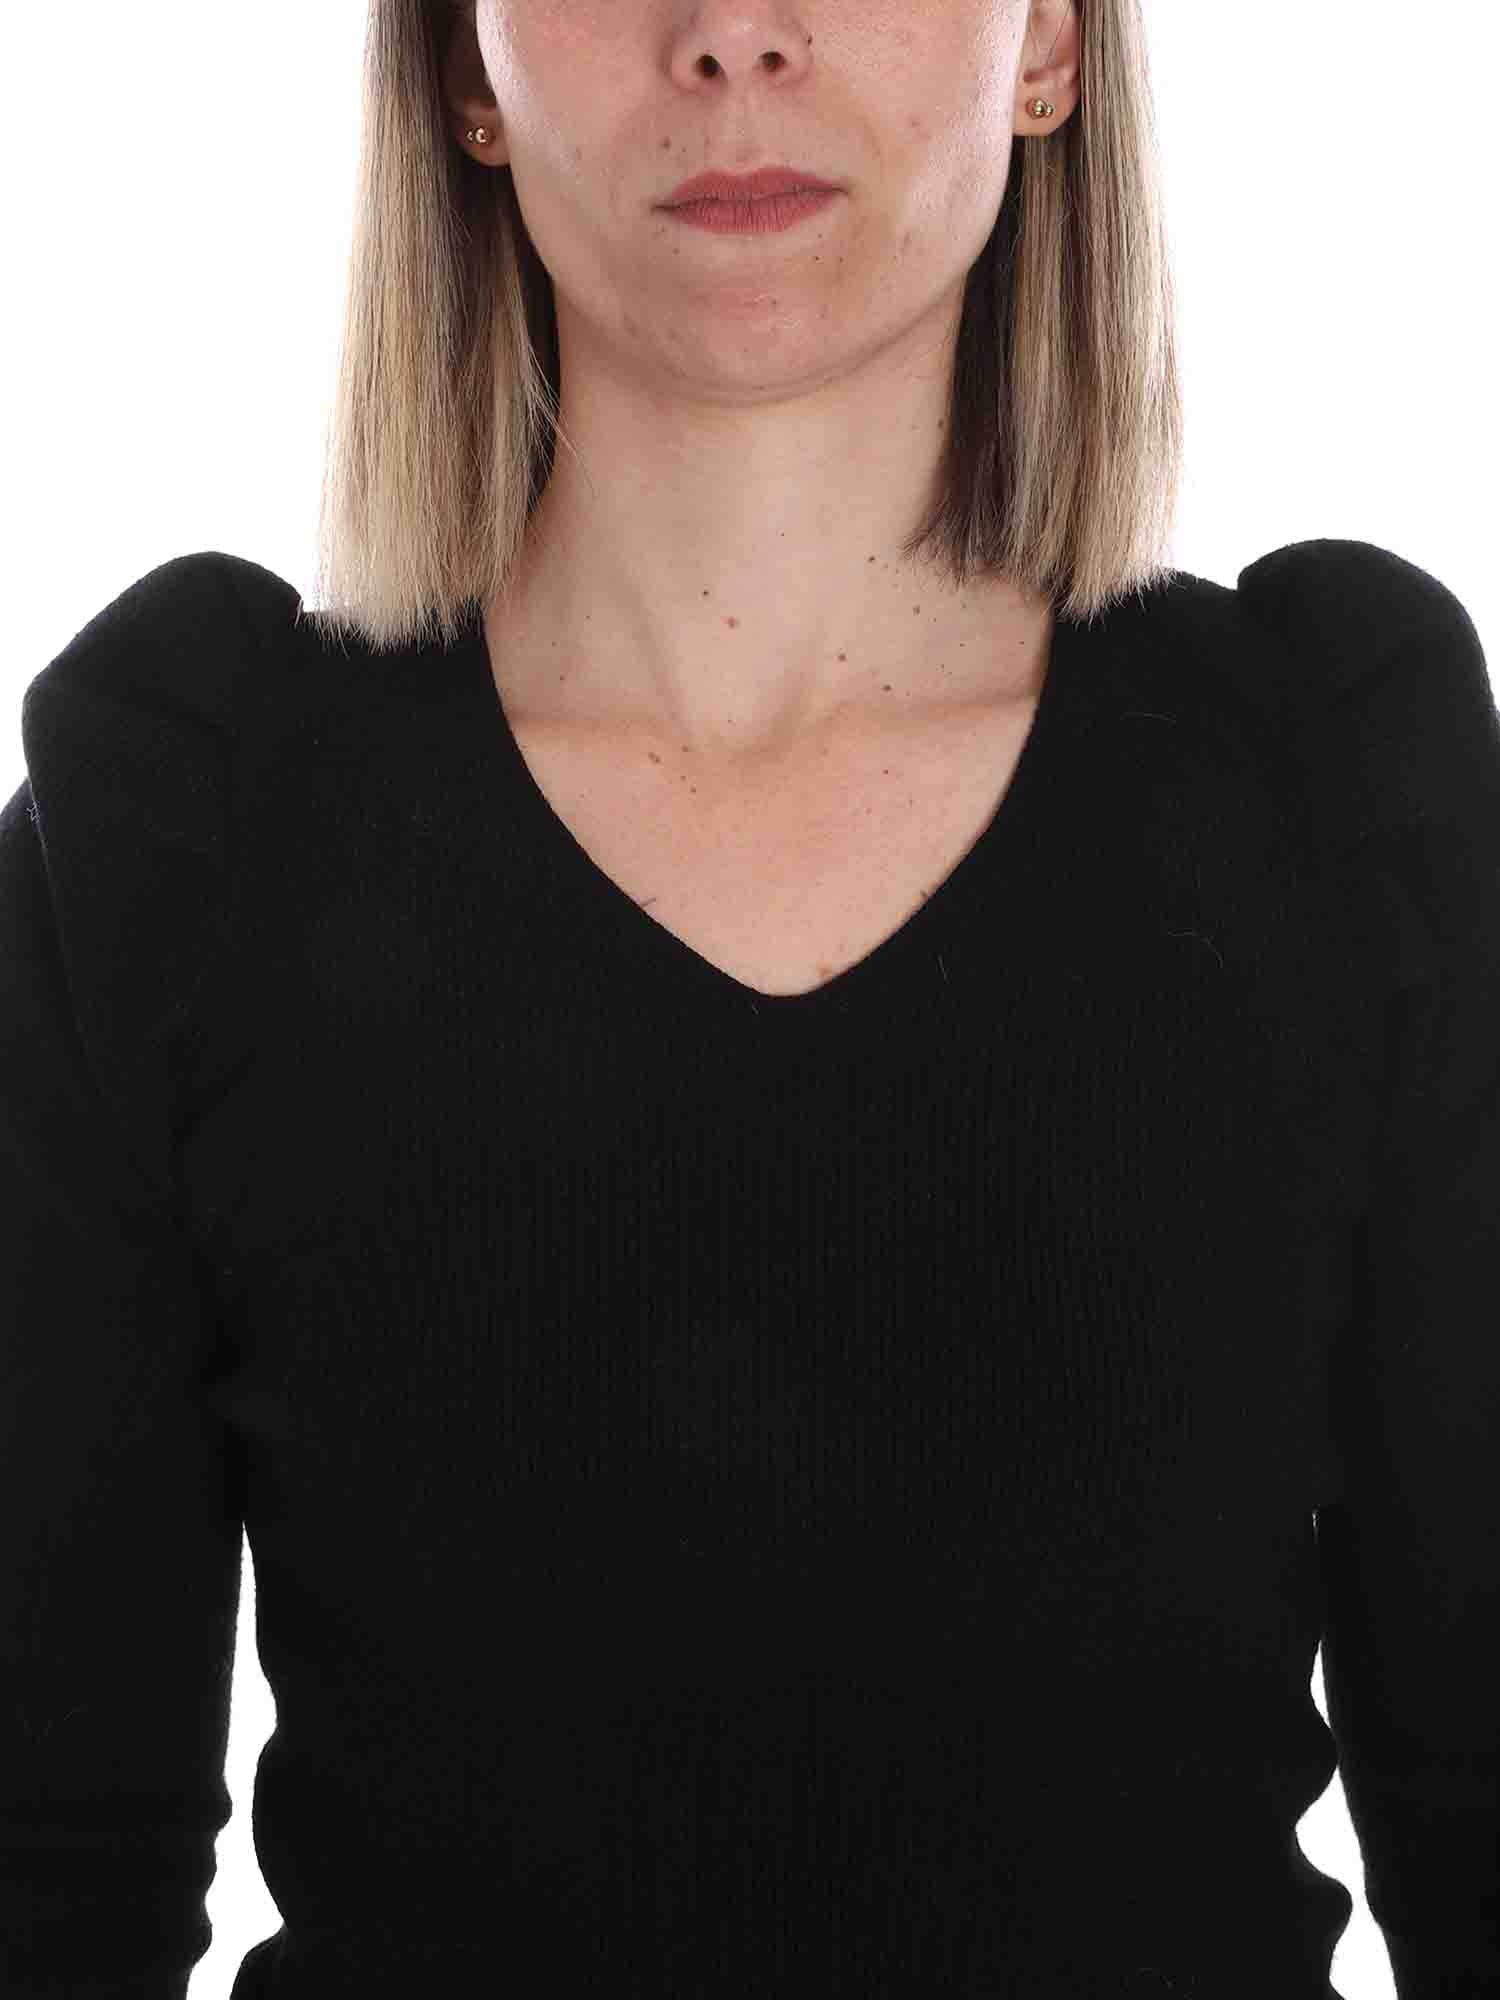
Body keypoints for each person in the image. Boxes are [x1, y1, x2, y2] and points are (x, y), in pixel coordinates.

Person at [3, 3, 1495, 1996]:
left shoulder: (1344, 790)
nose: (731, 36)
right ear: (462, 67)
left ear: (1048, 43)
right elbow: (44, 1880)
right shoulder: (176, 826)